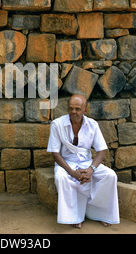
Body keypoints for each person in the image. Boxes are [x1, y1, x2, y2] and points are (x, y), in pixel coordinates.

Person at [47, 94, 120, 228]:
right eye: (71, 108)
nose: (73, 112)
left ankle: (100, 214)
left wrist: (91, 169)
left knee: (110, 176)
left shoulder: (92, 125)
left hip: (87, 163)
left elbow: (101, 151)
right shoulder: (57, 124)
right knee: (61, 178)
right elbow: (55, 154)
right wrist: (72, 172)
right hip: (66, 163)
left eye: (77, 109)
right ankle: (74, 217)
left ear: (85, 109)